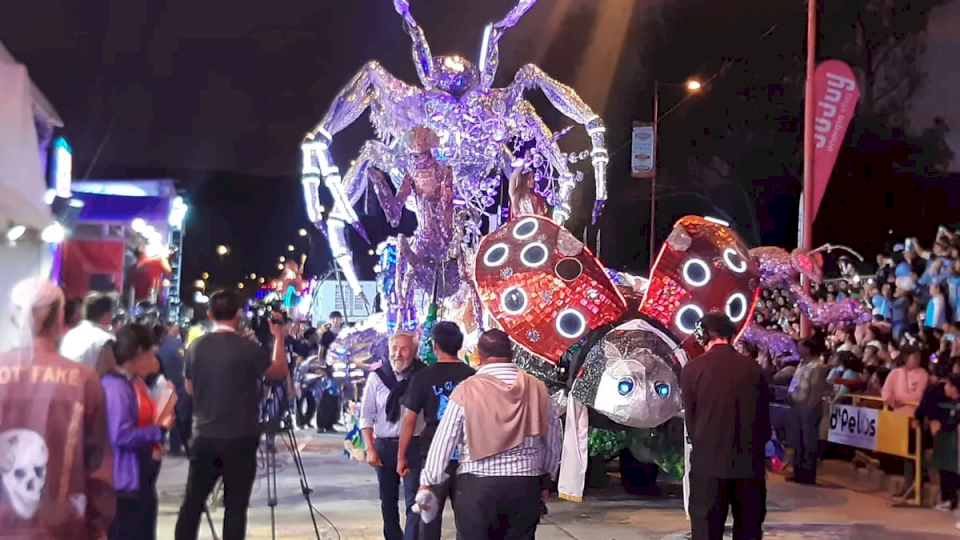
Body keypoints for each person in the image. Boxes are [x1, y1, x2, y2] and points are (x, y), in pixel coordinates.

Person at [419, 329, 561, 540]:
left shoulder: (466, 390)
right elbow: (553, 440)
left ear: (479, 354)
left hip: (478, 489)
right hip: (525, 486)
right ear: (511, 352)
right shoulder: (538, 388)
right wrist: (545, 480)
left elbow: (444, 441)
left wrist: (428, 480)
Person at [0, 277, 115, 539]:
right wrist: (98, 529)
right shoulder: (83, 380)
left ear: (12, 318)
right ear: (60, 319)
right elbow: (98, 469)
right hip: (61, 530)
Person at [174, 289, 288, 540]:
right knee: (236, 506)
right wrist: (278, 336)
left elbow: (190, 388)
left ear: (209, 313)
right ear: (239, 315)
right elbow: (278, 372)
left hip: (204, 434)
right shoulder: (248, 347)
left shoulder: (195, 347)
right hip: (241, 437)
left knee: (193, 502)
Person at [681, 313, 770, 540]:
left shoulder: (692, 370)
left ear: (703, 335)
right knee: (748, 528)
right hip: (749, 466)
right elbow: (763, 420)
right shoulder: (754, 369)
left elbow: (691, 421)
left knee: (706, 530)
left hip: (708, 464)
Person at [398, 322, 475, 540]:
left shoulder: (423, 377)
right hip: (468, 457)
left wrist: (401, 456)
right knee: (467, 520)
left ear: (435, 346)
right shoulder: (473, 376)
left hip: (433, 457)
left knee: (429, 517)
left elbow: (409, 420)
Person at [98, 324, 174, 540]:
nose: (154, 359)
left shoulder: (130, 382)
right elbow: (120, 435)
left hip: (135, 478)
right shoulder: (117, 388)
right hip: (125, 482)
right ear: (140, 352)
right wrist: (158, 431)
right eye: (151, 353)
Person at [359, 332, 426, 540]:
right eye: (394, 349)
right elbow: (366, 416)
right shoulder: (377, 377)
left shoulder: (423, 377)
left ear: (414, 352)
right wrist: (369, 449)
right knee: (387, 501)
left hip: (414, 447)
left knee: (414, 502)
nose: (398, 354)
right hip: (385, 446)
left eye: (404, 349)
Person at [882, 345, 929, 501]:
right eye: (913, 357)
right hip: (899, 420)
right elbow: (886, 391)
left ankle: (916, 487)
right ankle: (907, 485)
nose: (916, 360)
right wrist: (893, 400)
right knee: (905, 455)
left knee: (916, 454)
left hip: (915, 419)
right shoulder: (895, 373)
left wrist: (902, 399)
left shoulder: (922, 374)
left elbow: (918, 395)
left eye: (918, 357)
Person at [787, 339, 828, 485]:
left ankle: (808, 475)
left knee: (809, 443)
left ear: (808, 349)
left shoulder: (817, 366)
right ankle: (797, 471)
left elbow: (816, 390)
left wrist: (809, 408)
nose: (797, 350)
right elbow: (794, 382)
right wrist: (790, 394)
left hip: (809, 408)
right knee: (797, 441)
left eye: (800, 347)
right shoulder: (801, 364)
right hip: (797, 406)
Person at [155, 323, 190, 455]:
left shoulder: (159, 347)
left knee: (161, 415)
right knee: (177, 416)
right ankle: (175, 446)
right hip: (180, 385)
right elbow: (184, 361)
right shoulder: (177, 345)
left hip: (163, 384)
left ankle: (160, 442)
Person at [60, 292, 116, 369]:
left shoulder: (69, 335)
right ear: (106, 315)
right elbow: (109, 374)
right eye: (111, 313)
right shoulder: (105, 340)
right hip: (87, 379)